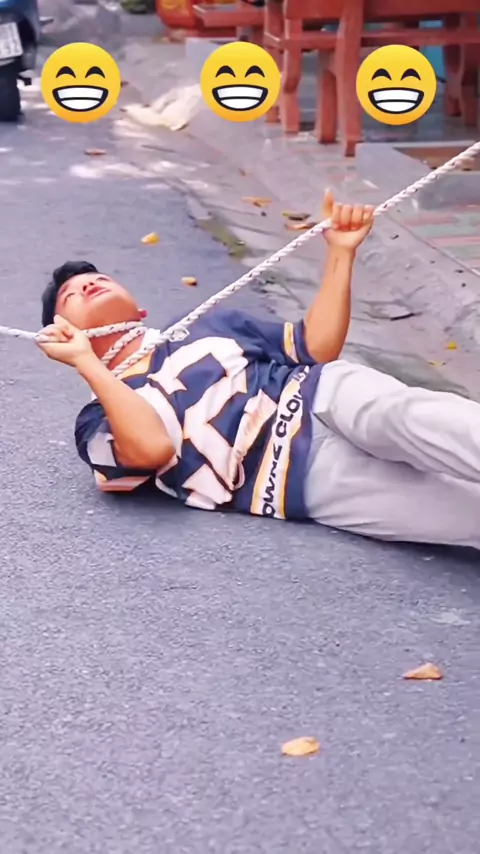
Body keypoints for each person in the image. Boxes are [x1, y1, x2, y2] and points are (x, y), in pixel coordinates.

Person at [37, 191, 480, 549]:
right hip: (297, 477)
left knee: (405, 416)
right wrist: (88, 364)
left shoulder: (205, 324)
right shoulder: (98, 419)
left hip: (321, 394)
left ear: (140, 311)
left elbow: (316, 347)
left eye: (98, 279)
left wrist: (341, 252)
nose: (88, 284)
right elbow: (152, 449)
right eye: (70, 296)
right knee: (462, 515)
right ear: (63, 334)